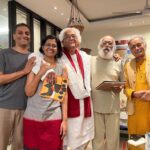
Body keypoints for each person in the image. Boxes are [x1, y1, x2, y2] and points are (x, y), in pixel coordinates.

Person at [23, 35, 68, 150]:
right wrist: (40, 72)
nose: (51, 47)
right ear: (43, 47)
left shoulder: (62, 68)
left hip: (53, 118)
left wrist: (65, 121)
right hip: (32, 116)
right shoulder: (36, 66)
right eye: (48, 44)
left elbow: (64, 96)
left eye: (54, 45)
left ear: (57, 49)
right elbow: (28, 92)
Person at [0, 23, 35, 150]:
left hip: (27, 108)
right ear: (14, 36)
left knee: (19, 146)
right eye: (20, 32)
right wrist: (24, 71)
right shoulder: (4, 54)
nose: (24, 35)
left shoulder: (34, 57)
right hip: (4, 107)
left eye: (27, 33)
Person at [58, 27, 94, 150]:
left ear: (78, 40)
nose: (71, 38)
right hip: (67, 101)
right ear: (62, 41)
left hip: (85, 101)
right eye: (68, 36)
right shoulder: (58, 57)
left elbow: (101, 60)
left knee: (84, 135)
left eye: (74, 36)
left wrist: (115, 56)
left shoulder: (85, 56)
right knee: (66, 136)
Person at [91, 35, 123, 150]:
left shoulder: (118, 62)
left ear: (114, 46)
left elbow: (122, 83)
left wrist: (119, 87)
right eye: (105, 43)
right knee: (97, 139)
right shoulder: (91, 60)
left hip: (113, 107)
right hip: (95, 107)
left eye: (110, 43)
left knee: (113, 139)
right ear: (100, 45)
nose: (107, 45)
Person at [124, 35, 150, 150]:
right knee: (135, 145)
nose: (136, 48)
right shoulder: (128, 66)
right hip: (134, 111)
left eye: (139, 45)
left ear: (145, 45)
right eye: (133, 47)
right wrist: (134, 94)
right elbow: (125, 87)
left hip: (148, 110)